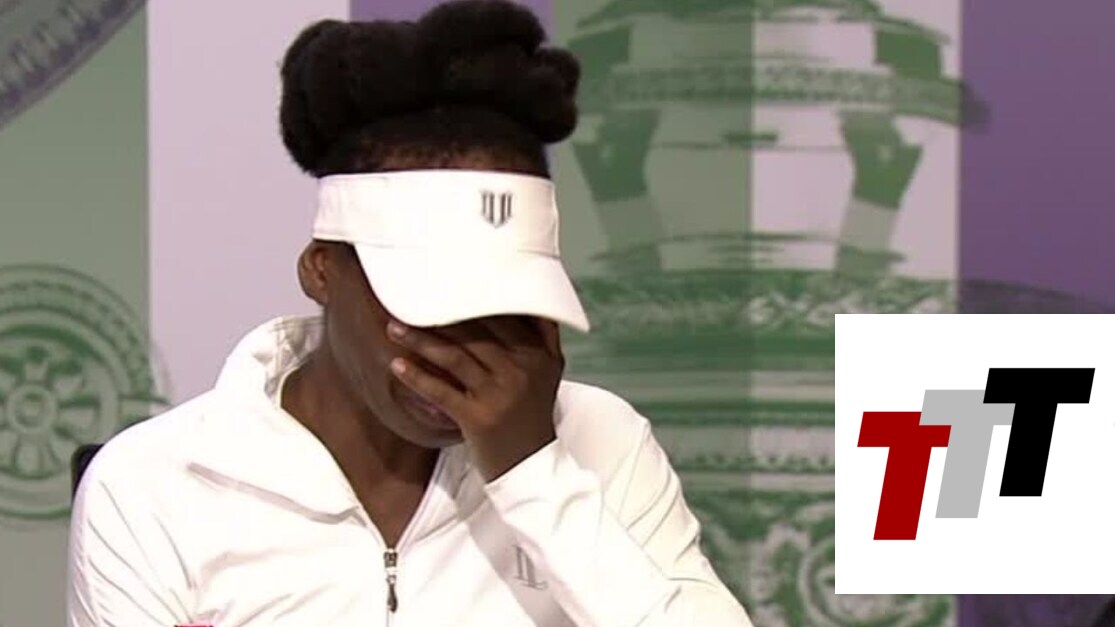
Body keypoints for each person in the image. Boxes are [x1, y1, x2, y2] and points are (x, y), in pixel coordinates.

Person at [66, 1, 753, 625]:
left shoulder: (601, 440)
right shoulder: (157, 485)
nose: (468, 353)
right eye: (432, 307)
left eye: (507, 307)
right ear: (321, 269)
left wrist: (532, 470)